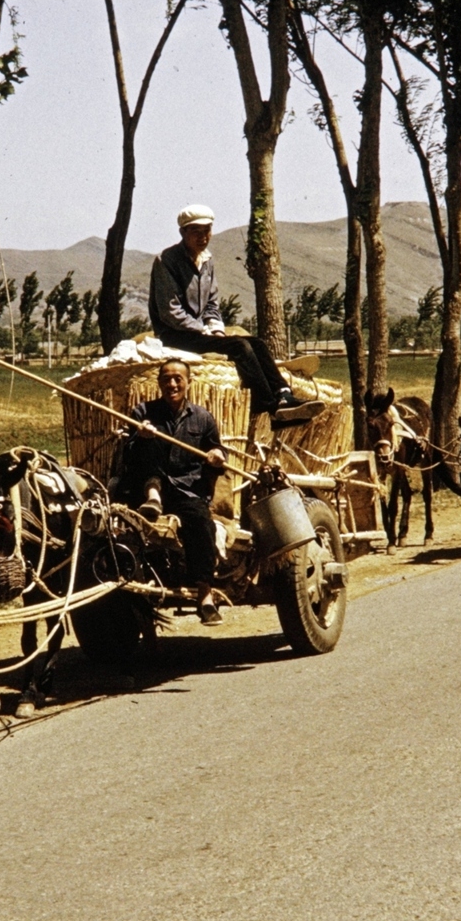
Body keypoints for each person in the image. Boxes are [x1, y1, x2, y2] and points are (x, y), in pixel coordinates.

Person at [150, 205, 322, 424]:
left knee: (257, 343)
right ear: (183, 233)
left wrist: (216, 328)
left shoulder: (206, 260)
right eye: (196, 231)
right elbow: (170, 311)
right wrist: (203, 330)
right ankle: (269, 406)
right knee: (240, 347)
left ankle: (283, 394)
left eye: (207, 230)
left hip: (200, 332)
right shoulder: (167, 261)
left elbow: (212, 302)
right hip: (175, 333)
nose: (203, 237)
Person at [122, 359, 232, 624]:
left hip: (186, 490)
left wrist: (217, 455)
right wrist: (140, 437)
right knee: (148, 448)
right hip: (146, 490)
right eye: (166, 379)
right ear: (159, 383)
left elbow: (218, 451)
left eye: (178, 379)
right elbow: (126, 456)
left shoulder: (203, 418)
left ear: (188, 382)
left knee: (201, 523)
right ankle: (154, 497)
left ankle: (204, 596)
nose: (172, 384)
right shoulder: (143, 412)